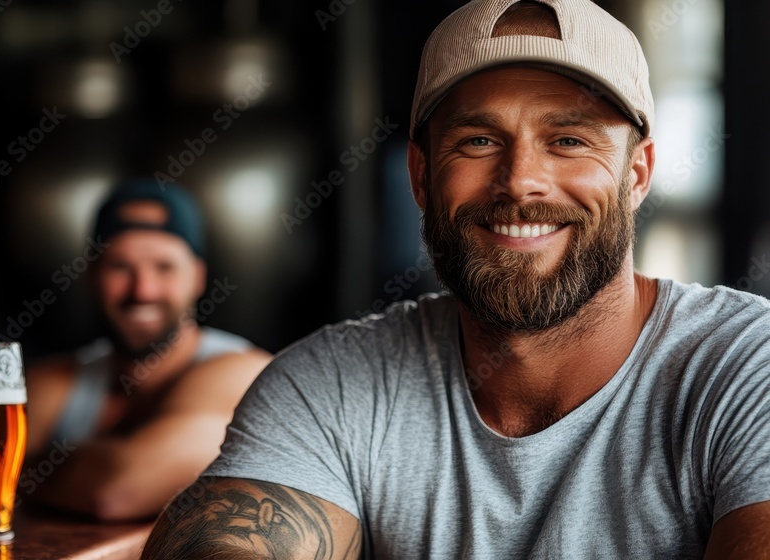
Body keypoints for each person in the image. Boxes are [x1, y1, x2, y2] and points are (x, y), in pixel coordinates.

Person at [141, 0, 770, 557]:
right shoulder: (328, 383)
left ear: (637, 174)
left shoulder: (747, 368)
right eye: (476, 141)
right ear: (420, 176)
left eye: (570, 140)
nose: (520, 180)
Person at [23, 180, 272, 521]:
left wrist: (24, 467)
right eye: (120, 267)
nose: (143, 289)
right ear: (92, 275)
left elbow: (117, 491)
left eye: (164, 267)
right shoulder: (53, 380)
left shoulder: (242, 372)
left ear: (197, 277)